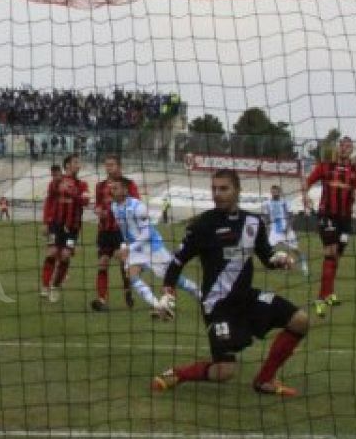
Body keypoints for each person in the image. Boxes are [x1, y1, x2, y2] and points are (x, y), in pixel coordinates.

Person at [153, 168, 309, 397]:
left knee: (300, 321)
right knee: (224, 371)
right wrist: (168, 293)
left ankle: (264, 380)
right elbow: (177, 262)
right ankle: (177, 374)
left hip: (247, 299)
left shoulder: (254, 222)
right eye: (214, 189)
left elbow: (267, 257)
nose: (217, 193)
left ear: (237, 190)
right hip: (218, 306)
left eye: (224, 188)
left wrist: (279, 259)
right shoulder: (202, 225)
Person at [107, 177, 201, 316]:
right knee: (131, 275)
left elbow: (147, 233)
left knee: (174, 279)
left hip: (153, 247)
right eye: (111, 188)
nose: (112, 191)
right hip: (136, 249)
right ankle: (158, 306)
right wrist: (124, 246)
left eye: (115, 188)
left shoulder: (138, 207)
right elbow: (125, 230)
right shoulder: (114, 207)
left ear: (125, 190)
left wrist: (128, 248)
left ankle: (200, 294)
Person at [302, 136, 356, 318]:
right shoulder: (325, 166)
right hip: (327, 216)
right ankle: (320, 298)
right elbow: (307, 182)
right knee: (330, 253)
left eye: (348, 146)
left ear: (352, 150)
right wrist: (305, 196)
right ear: (338, 148)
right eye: (342, 145)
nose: (344, 148)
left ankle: (329, 293)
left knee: (336, 257)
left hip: (345, 220)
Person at [89, 155, 139, 312]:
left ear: (119, 166)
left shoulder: (129, 184)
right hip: (104, 231)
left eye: (112, 165)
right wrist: (98, 210)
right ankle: (101, 299)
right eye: (107, 165)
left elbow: (137, 204)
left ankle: (127, 289)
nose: (108, 168)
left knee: (123, 261)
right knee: (102, 263)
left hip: (121, 231)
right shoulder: (100, 186)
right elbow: (98, 205)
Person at [40, 156, 88, 302]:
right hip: (55, 225)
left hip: (73, 228)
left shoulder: (82, 185)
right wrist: (45, 222)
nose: (78, 165)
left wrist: (73, 193)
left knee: (66, 255)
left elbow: (85, 201)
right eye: (75, 162)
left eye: (79, 163)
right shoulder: (56, 182)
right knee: (52, 252)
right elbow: (49, 201)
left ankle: (55, 286)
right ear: (67, 165)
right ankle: (45, 286)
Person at [261, 183, 309, 279]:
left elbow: (291, 216)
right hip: (274, 230)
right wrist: (266, 226)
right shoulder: (266, 204)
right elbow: (265, 217)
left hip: (286, 230)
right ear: (271, 192)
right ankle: (275, 264)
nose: (274, 193)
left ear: (279, 192)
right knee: (267, 249)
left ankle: (304, 265)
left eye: (276, 191)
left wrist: (288, 226)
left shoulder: (285, 202)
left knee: (296, 249)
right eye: (273, 191)